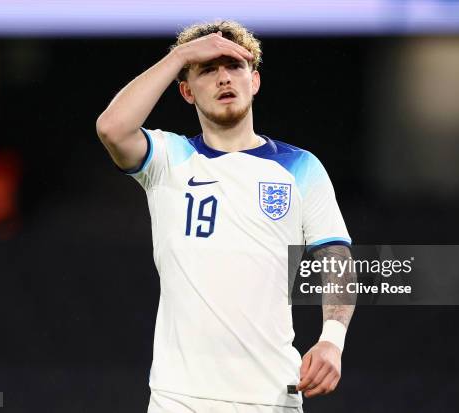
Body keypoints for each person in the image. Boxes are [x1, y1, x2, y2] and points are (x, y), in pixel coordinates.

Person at [96, 20, 355, 413]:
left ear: (254, 81)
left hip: (272, 398)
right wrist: (181, 55)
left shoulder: (300, 167)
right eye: (207, 69)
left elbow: (335, 257)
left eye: (234, 66)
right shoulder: (168, 159)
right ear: (185, 90)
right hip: (178, 398)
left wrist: (332, 340)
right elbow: (112, 128)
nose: (223, 78)